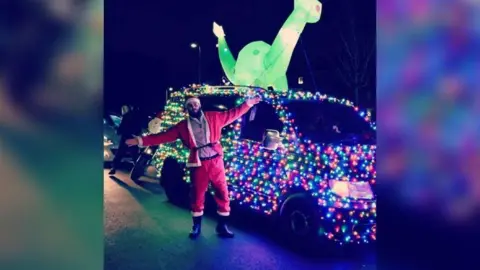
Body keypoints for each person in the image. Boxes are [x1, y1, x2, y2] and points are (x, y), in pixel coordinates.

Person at [125, 95, 261, 239]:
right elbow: (162, 137)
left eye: (196, 104)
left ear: (200, 105)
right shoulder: (183, 126)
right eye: (190, 105)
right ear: (187, 108)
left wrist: (248, 104)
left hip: (216, 162)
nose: (194, 106)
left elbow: (233, 113)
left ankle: (222, 226)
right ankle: (196, 226)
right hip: (198, 164)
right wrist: (139, 140)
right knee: (197, 196)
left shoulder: (214, 117)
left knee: (223, 193)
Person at [109, 105, 142, 175]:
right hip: (134, 137)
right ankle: (137, 169)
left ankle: (114, 168)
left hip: (126, 137)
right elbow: (139, 128)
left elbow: (122, 127)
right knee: (134, 154)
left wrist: (118, 130)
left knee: (120, 153)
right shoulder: (138, 116)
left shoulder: (126, 116)